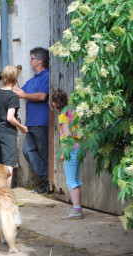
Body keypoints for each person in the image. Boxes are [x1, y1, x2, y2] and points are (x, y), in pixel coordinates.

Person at [13, 47, 50, 193]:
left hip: (42, 122)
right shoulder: (33, 80)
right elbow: (20, 92)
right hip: (31, 123)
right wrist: (14, 78)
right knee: (27, 150)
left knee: (42, 153)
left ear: (40, 61)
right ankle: (45, 178)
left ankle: (46, 183)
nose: (30, 61)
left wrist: (24, 96)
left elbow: (42, 96)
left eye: (32, 58)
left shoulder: (47, 76)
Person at [0, 65, 28, 189]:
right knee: (8, 165)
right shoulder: (13, 96)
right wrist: (21, 127)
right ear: (15, 79)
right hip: (7, 132)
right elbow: (10, 117)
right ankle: (6, 195)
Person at [51, 89, 83, 220]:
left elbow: (66, 135)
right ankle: (77, 207)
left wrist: (63, 152)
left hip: (70, 150)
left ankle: (76, 211)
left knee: (71, 180)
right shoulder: (74, 112)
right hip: (78, 148)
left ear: (54, 103)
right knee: (76, 180)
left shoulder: (62, 116)